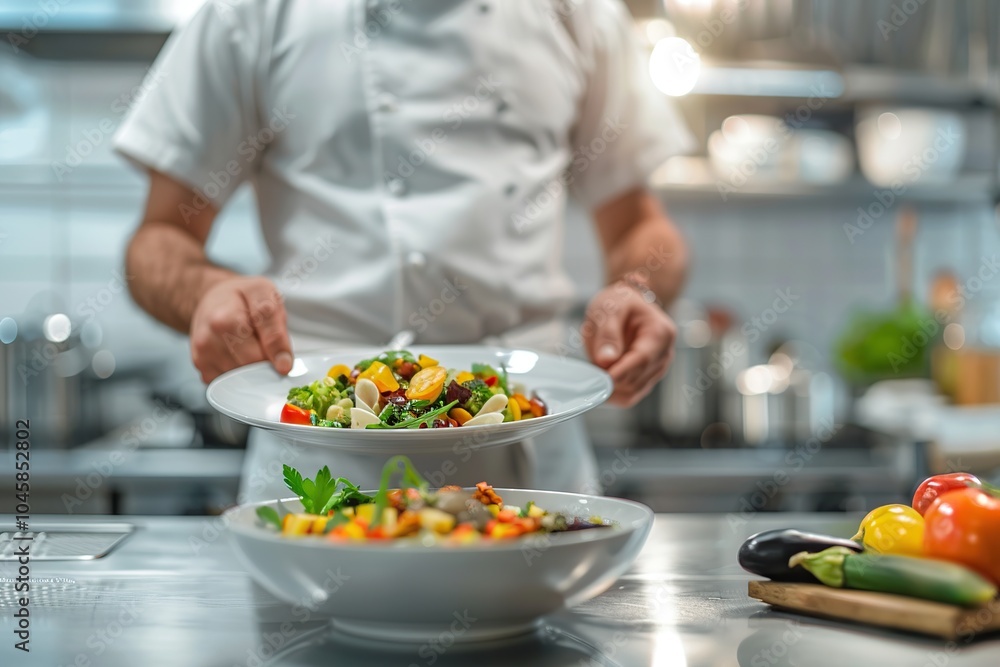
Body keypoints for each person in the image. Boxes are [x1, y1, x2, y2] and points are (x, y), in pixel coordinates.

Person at [114, 0, 691, 500]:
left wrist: (634, 290)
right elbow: (157, 242)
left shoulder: (578, 13)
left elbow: (641, 226)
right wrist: (206, 293)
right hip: (320, 448)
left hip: (526, 439)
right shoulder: (251, 15)